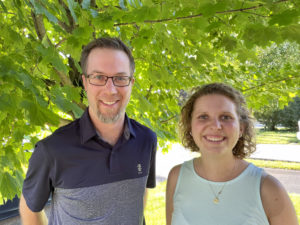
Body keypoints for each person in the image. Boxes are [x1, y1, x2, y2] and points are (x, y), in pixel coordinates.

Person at [19, 37, 157, 225]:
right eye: (99, 77)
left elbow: (140, 194)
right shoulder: (51, 151)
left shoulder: (147, 140)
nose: (110, 89)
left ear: (131, 82)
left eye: (120, 78)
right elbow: (29, 209)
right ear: (85, 82)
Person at [166, 83, 298, 225]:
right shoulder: (177, 177)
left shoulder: (268, 189)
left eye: (226, 117)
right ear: (190, 126)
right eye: (203, 116)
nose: (215, 126)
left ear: (241, 128)